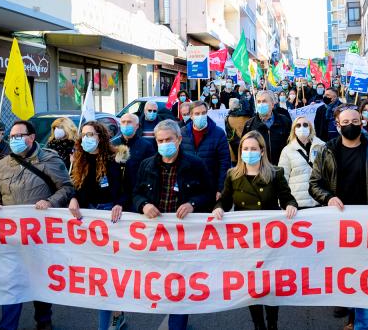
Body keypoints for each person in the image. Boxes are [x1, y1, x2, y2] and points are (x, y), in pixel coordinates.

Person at [308, 104, 368, 330]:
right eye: (345, 123)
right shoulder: (326, 151)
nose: (351, 126)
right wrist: (327, 197)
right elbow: (314, 184)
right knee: (345, 272)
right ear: (337, 126)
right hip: (337, 225)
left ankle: (362, 324)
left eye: (355, 122)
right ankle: (350, 315)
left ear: (362, 122)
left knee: (365, 272)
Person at [0, 120, 73, 330]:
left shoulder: (50, 159)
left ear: (32, 137)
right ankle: (7, 326)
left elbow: (67, 188)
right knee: (11, 282)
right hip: (11, 235)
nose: (14, 140)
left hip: (39, 235)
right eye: (12, 137)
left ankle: (43, 321)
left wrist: (50, 202)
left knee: (39, 281)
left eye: (19, 136)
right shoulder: (4, 163)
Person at [211, 131, 298, 330]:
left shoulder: (275, 173)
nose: (248, 152)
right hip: (247, 241)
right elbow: (224, 199)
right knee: (253, 285)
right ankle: (258, 325)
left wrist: (291, 205)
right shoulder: (233, 175)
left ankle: (272, 323)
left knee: (270, 284)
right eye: (245, 149)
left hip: (271, 239)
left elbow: (286, 197)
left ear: (261, 151)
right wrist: (218, 208)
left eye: (253, 149)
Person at [133, 119, 213, 330]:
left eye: (169, 139)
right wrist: (143, 205)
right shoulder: (146, 165)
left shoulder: (195, 164)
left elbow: (208, 194)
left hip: (184, 237)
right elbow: (136, 194)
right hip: (156, 236)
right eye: (160, 140)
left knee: (180, 281)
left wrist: (193, 204)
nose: (164, 143)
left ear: (178, 140)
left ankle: (177, 324)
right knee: (159, 281)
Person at [67, 121, 130, 330]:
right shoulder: (81, 160)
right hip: (89, 220)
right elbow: (79, 188)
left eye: (91, 134)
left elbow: (127, 188)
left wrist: (120, 203)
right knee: (98, 274)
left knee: (110, 273)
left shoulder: (117, 160)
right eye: (83, 135)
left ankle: (113, 316)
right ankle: (117, 313)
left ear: (101, 137)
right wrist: (74, 198)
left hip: (111, 220)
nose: (86, 138)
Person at [180, 101, 231, 201]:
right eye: (197, 114)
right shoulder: (182, 133)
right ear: (191, 116)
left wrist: (221, 188)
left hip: (210, 188)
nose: (201, 116)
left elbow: (224, 163)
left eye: (203, 113)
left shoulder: (218, 133)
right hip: (187, 188)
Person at [278, 116, 325, 209]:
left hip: (319, 200)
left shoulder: (322, 146)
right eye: (298, 125)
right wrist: (283, 202)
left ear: (310, 127)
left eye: (305, 125)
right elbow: (283, 178)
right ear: (294, 129)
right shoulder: (287, 150)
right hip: (297, 203)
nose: (302, 127)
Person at [110, 113, 156, 206]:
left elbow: (150, 173)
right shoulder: (112, 145)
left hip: (136, 195)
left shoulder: (146, 146)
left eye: (129, 122)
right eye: (123, 122)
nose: (126, 124)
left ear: (137, 126)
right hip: (115, 197)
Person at [242, 90, 292, 165]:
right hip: (259, 169)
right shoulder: (249, 125)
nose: (261, 104)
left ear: (272, 104)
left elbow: (291, 145)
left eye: (264, 101)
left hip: (281, 167)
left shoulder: (284, 121)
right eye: (258, 102)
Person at [225, 98, 251, 164]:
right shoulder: (248, 117)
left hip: (233, 147)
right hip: (248, 147)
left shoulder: (228, 118)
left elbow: (228, 135)